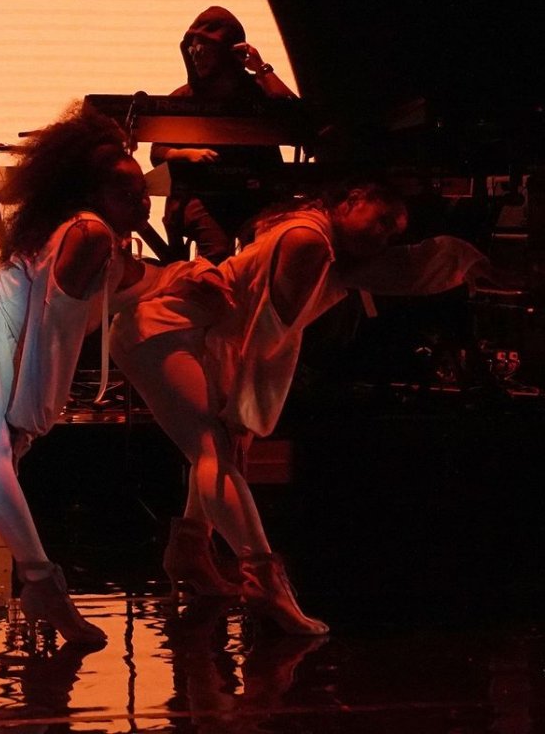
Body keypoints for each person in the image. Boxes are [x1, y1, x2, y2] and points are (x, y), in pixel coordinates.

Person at [110, 181, 489, 633]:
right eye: (382, 220)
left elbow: (399, 269)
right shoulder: (309, 240)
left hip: (190, 332)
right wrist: (245, 410)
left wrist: (464, 261)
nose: (384, 235)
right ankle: (263, 581)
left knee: (216, 448)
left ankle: (190, 553)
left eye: (393, 231)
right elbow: (271, 333)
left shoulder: (320, 240)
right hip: (161, 329)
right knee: (213, 449)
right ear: (350, 201)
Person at [0, 104, 165, 646]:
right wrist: (31, 404)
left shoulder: (89, 230)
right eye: (126, 191)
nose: (141, 201)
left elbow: (127, 287)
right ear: (92, 192)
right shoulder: (89, 232)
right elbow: (51, 320)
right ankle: (43, 586)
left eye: (143, 191)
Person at [150, 6, 297, 262]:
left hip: (255, 195)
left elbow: (296, 119)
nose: (196, 55)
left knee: (269, 250)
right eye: (192, 49)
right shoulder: (184, 99)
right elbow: (157, 152)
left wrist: (261, 68)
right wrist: (185, 154)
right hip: (202, 196)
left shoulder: (256, 92)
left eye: (204, 48)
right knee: (216, 252)